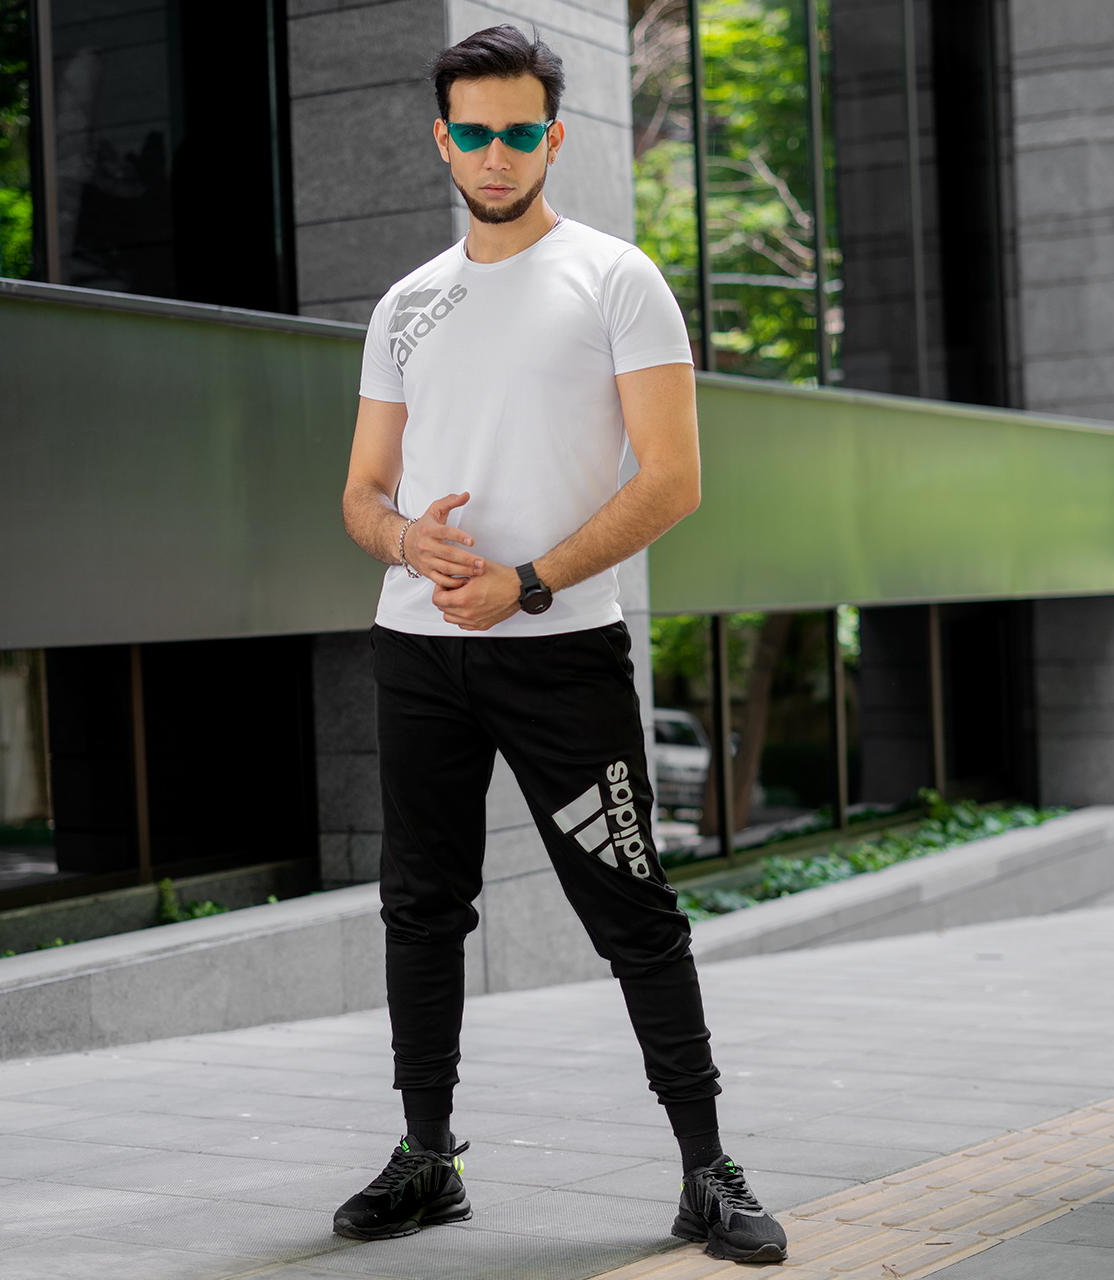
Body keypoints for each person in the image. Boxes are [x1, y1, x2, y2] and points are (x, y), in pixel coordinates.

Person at [332, 24, 788, 1264]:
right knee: (420, 906)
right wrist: (402, 540)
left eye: (518, 131)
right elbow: (361, 490)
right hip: (416, 650)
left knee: (632, 908)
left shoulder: (614, 278)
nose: (495, 152)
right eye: (472, 132)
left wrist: (526, 582)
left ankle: (705, 1170)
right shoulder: (405, 304)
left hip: (559, 652)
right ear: (442, 141)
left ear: (553, 137)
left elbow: (673, 477)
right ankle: (428, 1157)